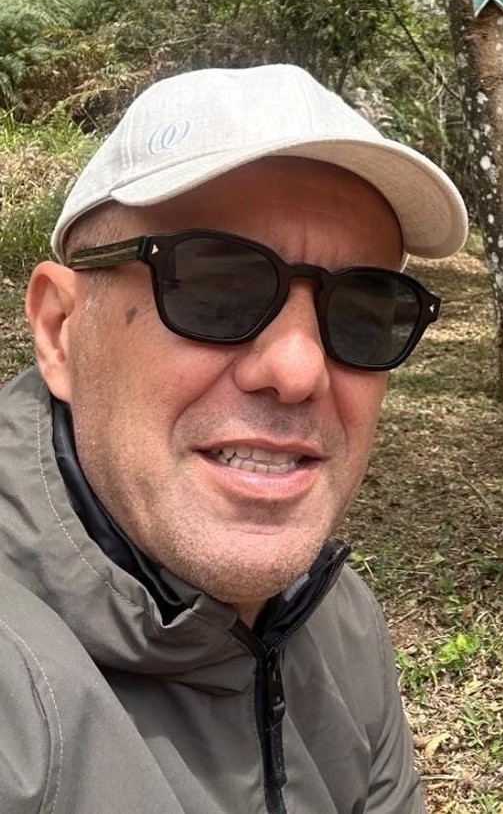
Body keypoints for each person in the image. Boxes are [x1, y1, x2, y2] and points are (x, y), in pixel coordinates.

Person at [0, 63, 468, 814]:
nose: (298, 369)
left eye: (363, 308)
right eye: (217, 289)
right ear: (61, 330)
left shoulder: (336, 619)